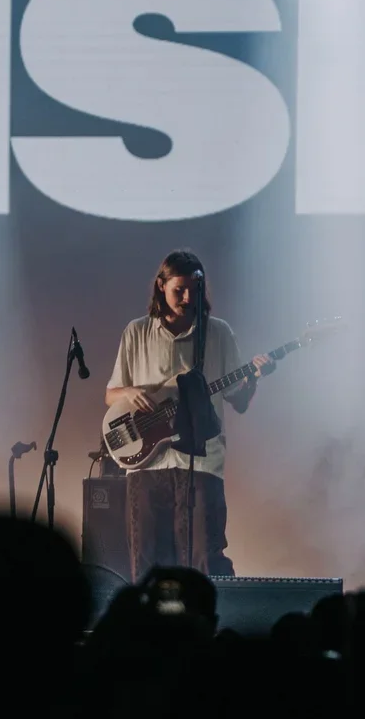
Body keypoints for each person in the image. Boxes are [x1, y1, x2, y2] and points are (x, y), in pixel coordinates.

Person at [104, 249, 273, 581]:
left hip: (202, 463)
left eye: (193, 290)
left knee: (205, 560)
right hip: (147, 465)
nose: (186, 298)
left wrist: (253, 378)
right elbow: (111, 394)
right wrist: (128, 393)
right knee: (147, 562)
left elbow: (238, 401)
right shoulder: (136, 332)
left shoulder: (218, 333)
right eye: (178, 290)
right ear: (161, 286)